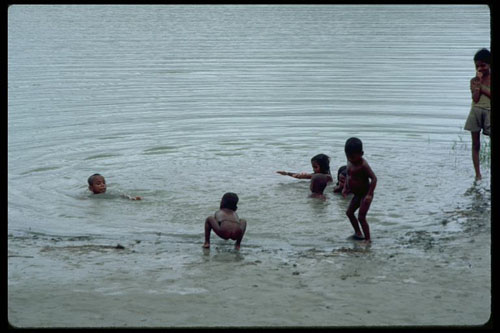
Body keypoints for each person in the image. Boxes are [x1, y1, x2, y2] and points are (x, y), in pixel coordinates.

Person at [342, 138, 377, 243]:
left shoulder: (363, 165)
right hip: (357, 194)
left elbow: (374, 178)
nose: (350, 159)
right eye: (348, 156)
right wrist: (345, 187)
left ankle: (368, 239)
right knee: (349, 213)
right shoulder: (349, 161)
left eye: (353, 157)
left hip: (365, 194)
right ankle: (358, 232)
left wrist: (369, 194)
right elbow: (348, 175)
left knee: (361, 217)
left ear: (361, 154)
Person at [464, 48, 491, 181]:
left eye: (483, 65)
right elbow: (475, 98)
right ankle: (478, 174)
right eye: (477, 66)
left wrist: (482, 88)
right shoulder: (474, 80)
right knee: (475, 144)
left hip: (489, 112)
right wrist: (477, 85)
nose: (480, 68)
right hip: (475, 111)